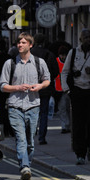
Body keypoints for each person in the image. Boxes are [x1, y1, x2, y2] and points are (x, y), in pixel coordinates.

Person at [0, 32, 51, 180]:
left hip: (33, 106)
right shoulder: (10, 64)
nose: (20, 45)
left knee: (30, 143)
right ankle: (25, 168)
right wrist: (17, 87)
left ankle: (26, 163)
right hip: (15, 106)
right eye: (18, 43)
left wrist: (39, 86)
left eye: (23, 43)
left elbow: (47, 80)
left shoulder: (39, 62)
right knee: (20, 139)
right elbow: (2, 86)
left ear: (30, 45)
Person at [61, 29, 90, 165]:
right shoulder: (73, 53)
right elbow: (65, 72)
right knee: (78, 124)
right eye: (86, 37)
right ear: (80, 39)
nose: (88, 39)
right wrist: (67, 90)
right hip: (77, 92)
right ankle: (80, 154)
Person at [31, 33, 59, 145]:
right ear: (44, 42)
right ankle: (42, 137)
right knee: (43, 113)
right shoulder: (49, 54)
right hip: (45, 87)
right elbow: (56, 71)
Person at [55, 46, 71, 134]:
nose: (63, 57)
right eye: (62, 55)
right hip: (59, 89)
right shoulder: (56, 61)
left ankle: (68, 125)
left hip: (68, 88)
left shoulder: (69, 61)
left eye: (64, 55)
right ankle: (65, 126)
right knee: (62, 108)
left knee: (68, 108)